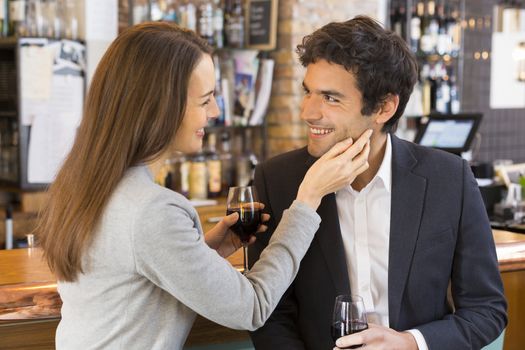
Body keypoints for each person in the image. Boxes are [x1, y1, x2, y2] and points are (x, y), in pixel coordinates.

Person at [36, 22, 372, 350]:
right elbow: (252, 308)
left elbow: (134, 271)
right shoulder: (152, 210)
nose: (215, 111)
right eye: (205, 100)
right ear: (161, 106)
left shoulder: (87, 186)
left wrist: (201, 251)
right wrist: (306, 200)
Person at [248, 16, 507, 350]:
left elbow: (486, 310)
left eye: (330, 98)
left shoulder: (449, 179)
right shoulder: (277, 180)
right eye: (308, 92)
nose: (308, 112)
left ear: (384, 107)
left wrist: (411, 343)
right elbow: (270, 314)